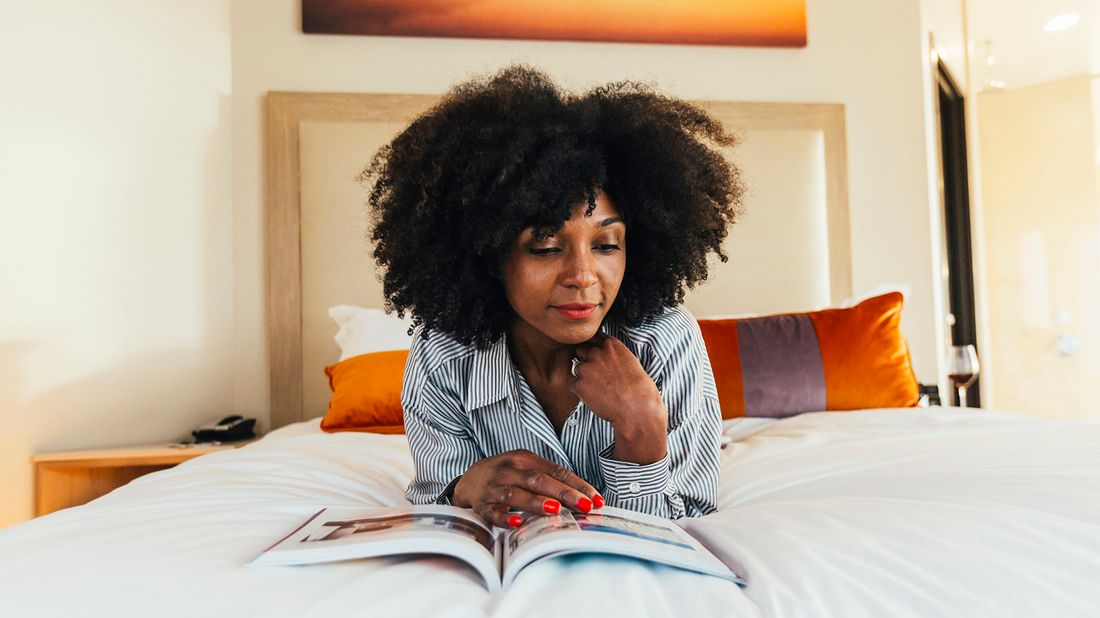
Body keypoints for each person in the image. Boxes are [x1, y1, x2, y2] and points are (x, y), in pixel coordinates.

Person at [361, 64, 743, 527]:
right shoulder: (443, 352)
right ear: (488, 254)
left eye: (605, 245)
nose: (583, 276)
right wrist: (465, 487)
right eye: (544, 246)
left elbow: (689, 523)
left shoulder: (663, 340)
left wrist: (641, 430)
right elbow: (435, 500)